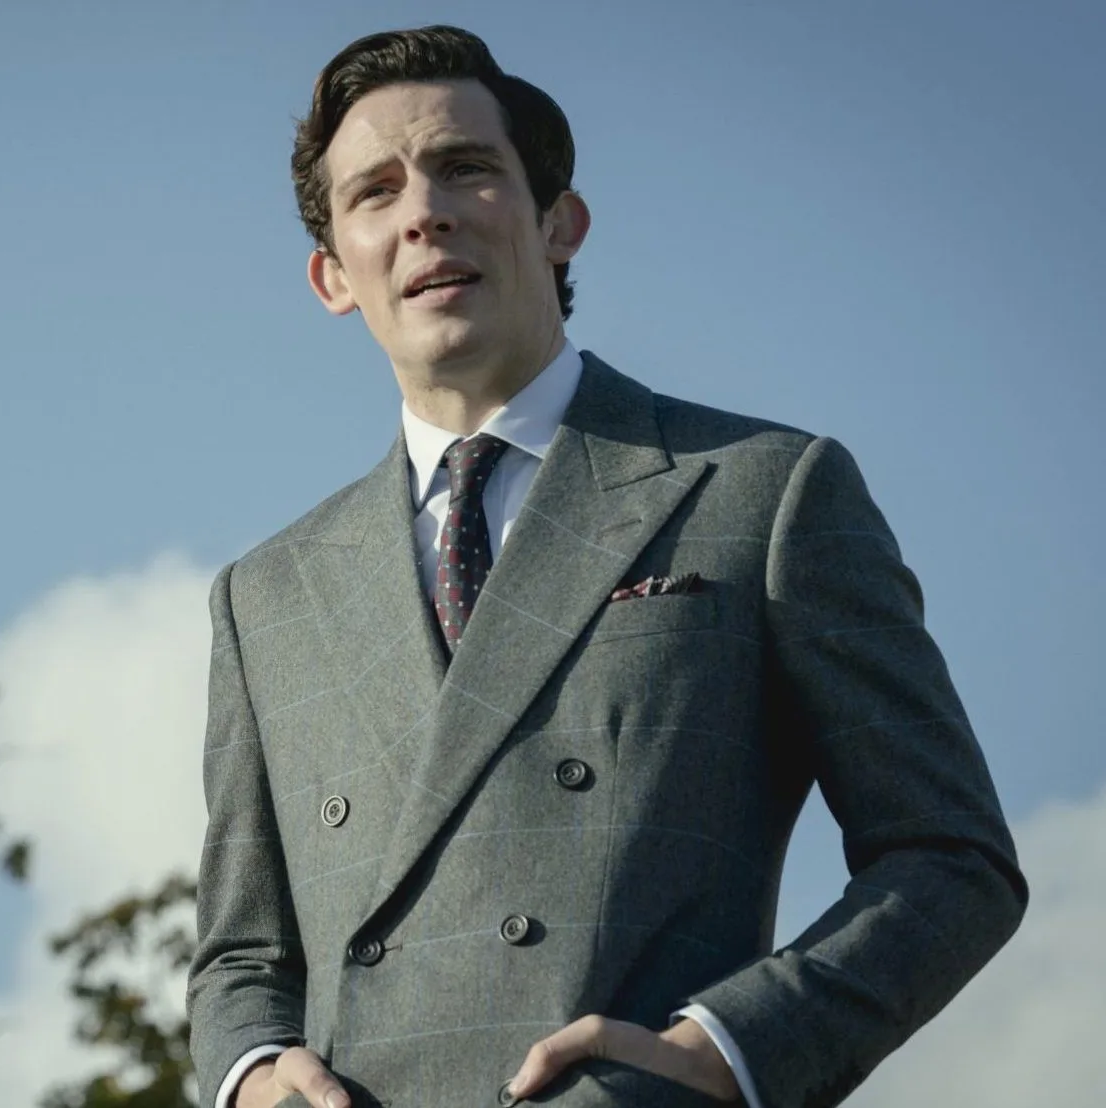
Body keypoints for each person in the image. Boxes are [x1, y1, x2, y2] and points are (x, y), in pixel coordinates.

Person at [185, 26, 1025, 1108]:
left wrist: (729, 1049)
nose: (423, 211)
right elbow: (240, 955)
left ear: (559, 221)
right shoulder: (267, 593)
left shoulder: (761, 491)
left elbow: (951, 857)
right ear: (332, 276)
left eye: (467, 168)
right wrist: (252, 1072)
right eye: (374, 192)